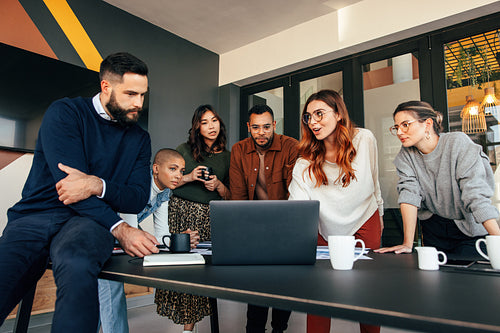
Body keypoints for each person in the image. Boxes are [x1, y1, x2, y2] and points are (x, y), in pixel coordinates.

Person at [0, 52, 159, 332]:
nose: (139, 104)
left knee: (77, 262)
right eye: (131, 94)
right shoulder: (65, 113)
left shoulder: (140, 138)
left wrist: (98, 184)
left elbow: (136, 198)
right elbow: (69, 189)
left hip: (89, 222)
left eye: (143, 95)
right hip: (37, 215)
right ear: (106, 87)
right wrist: (120, 228)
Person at [288, 89, 383, 333]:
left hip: (364, 219)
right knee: (319, 295)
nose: (313, 122)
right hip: (323, 228)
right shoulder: (304, 163)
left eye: (319, 114)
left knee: (368, 292)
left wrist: (379, 217)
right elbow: (296, 210)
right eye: (308, 117)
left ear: (339, 114)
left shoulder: (364, 139)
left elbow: (374, 182)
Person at [375, 101, 500, 257]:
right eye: (396, 127)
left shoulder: (458, 144)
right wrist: (407, 244)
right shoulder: (405, 155)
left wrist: (496, 238)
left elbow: (475, 195)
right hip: (433, 229)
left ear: (427, 124)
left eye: (405, 125)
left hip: (468, 230)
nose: (400, 131)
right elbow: (409, 195)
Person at [97, 148, 199, 333]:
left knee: (102, 295)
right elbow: (131, 233)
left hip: (123, 234)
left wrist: (179, 239)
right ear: (156, 169)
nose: (178, 176)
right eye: (173, 169)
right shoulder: (137, 184)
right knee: (110, 292)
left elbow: (161, 235)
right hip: (103, 230)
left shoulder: (165, 193)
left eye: (182, 171)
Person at [155, 105, 230, 333]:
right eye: (204, 122)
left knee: (200, 270)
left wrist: (217, 185)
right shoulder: (183, 150)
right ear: (197, 126)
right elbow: (171, 182)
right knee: (180, 267)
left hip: (207, 218)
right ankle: (187, 326)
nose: (210, 126)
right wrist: (190, 176)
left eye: (214, 120)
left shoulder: (228, 157)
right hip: (179, 212)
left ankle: (190, 327)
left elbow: (230, 195)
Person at [230, 104, 298, 333]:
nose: (262, 133)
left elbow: (295, 191)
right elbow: (238, 195)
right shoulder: (239, 150)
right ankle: (255, 329)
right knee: (257, 284)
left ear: (274, 125)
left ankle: (280, 328)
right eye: (256, 128)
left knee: (284, 282)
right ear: (248, 127)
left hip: (285, 225)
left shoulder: (291, 146)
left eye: (267, 127)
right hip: (254, 226)